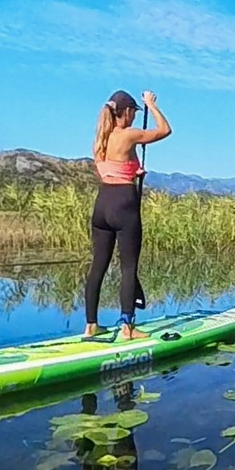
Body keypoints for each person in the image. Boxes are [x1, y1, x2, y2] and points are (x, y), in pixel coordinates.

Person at [84, 89, 170, 339]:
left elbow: (114, 170)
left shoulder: (100, 139)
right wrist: (151, 104)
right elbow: (165, 130)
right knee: (128, 267)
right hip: (124, 205)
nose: (134, 116)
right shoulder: (129, 135)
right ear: (128, 112)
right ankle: (127, 328)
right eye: (134, 111)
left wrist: (134, 173)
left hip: (102, 205)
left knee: (97, 266)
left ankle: (91, 325)